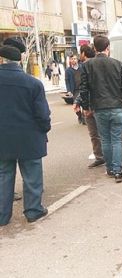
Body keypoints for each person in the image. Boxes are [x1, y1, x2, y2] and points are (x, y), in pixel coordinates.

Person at [0, 38, 51, 226]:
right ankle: (33, 210)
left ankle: (2, 216)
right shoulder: (33, 83)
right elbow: (42, 114)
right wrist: (44, 128)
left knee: (3, 175)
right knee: (32, 175)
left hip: (2, 138)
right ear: (19, 61)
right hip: (29, 137)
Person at [80, 35, 122, 183]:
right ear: (108, 48)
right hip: (116, 106)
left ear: (95, 48)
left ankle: (110, 169)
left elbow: (83, 89)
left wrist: (86, 107)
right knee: (117, 140)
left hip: (99, 108)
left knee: (105, 139)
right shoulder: (118, 64)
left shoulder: (87, 66)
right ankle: (118, 171)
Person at [73, 44, 105, 169]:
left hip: (94, 104)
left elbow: (87, 88)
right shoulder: (93, 65)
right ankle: (101, 156)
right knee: (98, 133)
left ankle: (103, 157)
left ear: (83, 53)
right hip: (96, 103)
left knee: (97, 133)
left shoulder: (88, 66)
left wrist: (83, 105)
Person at [65, 54, 84, 124]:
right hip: (75, 90)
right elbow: (67, 81)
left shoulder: (82, 67)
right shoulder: (68, 70)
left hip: (83, 89)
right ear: (70, 60)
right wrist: (69, 91)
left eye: (75, 59)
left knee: (84, 105)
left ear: (77, 60)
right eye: (72, 59)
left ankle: (84, 116)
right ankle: (79, 116)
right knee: (77, 106)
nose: (73, 60)